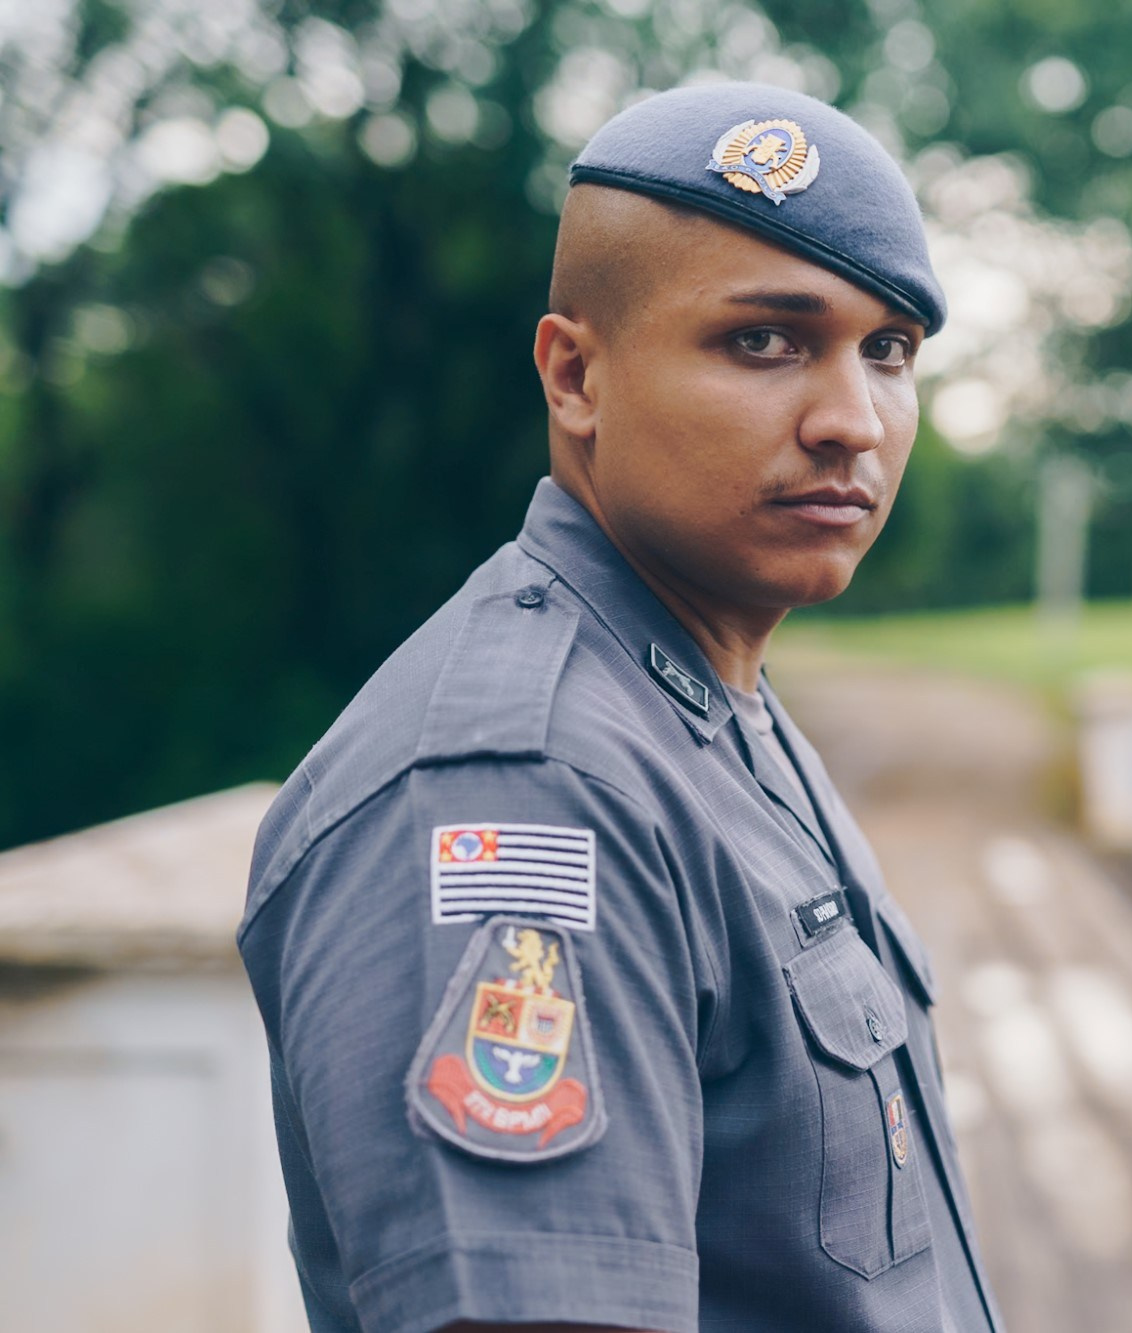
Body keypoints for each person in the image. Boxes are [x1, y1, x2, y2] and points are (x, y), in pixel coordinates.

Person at [236, 82, 1002, 1333]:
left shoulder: (710, 705)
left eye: (889, 350)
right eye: (764, 340)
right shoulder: (521, 788)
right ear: (575, 374)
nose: (851, 420)